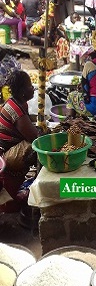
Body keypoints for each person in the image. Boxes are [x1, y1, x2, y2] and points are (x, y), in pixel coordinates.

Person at [0, 70, 38, 200]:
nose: (33, 88)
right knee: (38, 146)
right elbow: (34, 137)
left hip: (10, 147)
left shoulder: (19, 102)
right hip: (7, 154)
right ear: (23, 91)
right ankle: (39, 184)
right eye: (30, 86)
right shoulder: (15, 109)